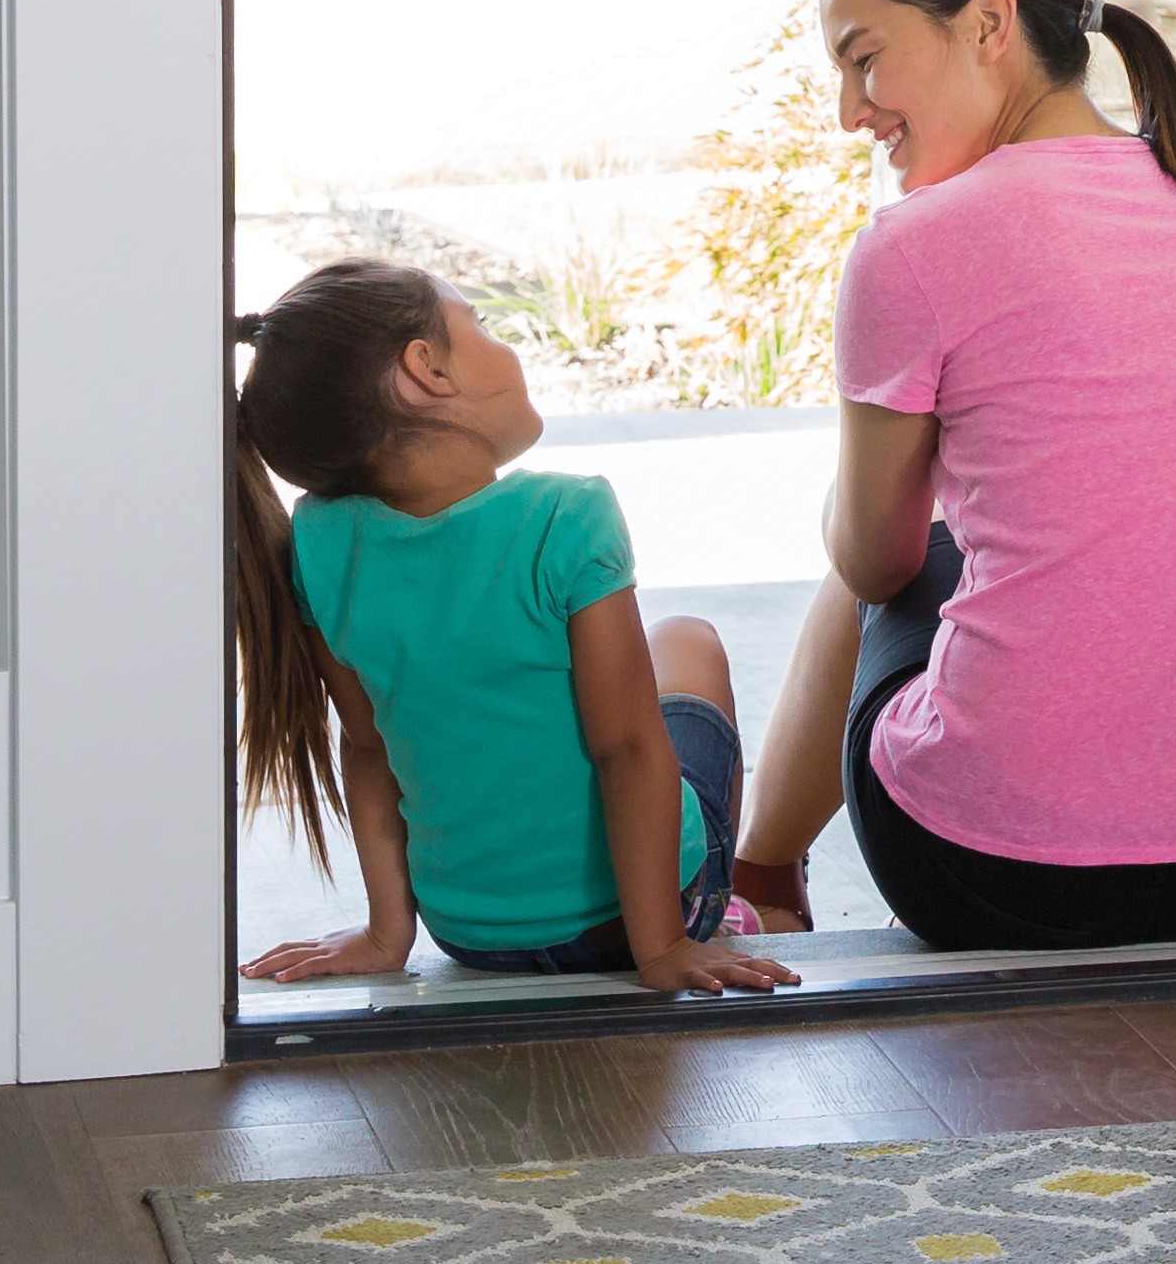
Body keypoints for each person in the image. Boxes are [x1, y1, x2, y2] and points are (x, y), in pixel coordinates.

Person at [725, 0, 1176, 950]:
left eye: (863, 57)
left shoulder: (912, 244)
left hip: (995, 870)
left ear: (988, 20)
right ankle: (767, 872)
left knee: (886, 534)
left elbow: (874, 563)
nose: (849, 111)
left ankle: (762, 878)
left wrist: (881, 478)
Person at [227, 258, 799, 996]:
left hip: (473, 935)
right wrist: (660, 948)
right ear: (427, 368)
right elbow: (627, 748)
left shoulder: (320, 542)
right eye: (481, 325)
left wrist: (385, 934)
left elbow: (369, 748)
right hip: (622, 928)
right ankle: (710, 913)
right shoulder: (565, 516)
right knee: (688, 639)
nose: (503, 343)